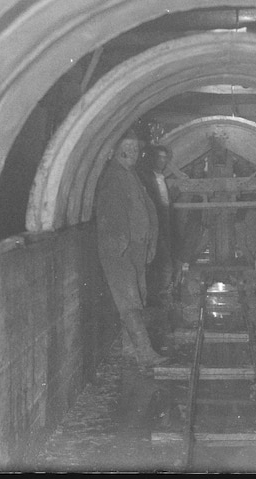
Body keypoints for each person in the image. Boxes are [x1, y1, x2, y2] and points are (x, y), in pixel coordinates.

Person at [96, 131, 169, 367]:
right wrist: (121, 250)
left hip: (135, 248)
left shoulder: (131, 175)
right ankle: (145, 353)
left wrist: (149, 243)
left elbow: (146, 212)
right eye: (129, 148)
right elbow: (111, 217)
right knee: (129, 300)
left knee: (137, 296)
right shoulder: (113, 177)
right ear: (118, 150)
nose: (134, 153)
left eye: (137, 149)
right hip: (120, 250)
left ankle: (130, 349)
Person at [138, 144, 175, 307]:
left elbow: (165, 201)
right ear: (153, 159)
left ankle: (160, 296)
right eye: (159, 157)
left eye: (165, 158)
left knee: (163, 258)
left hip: (164, 220)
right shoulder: (147, 177)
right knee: (161, 261)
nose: (162, 161)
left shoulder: (161, 177)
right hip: (155, 222)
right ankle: (157, 298)